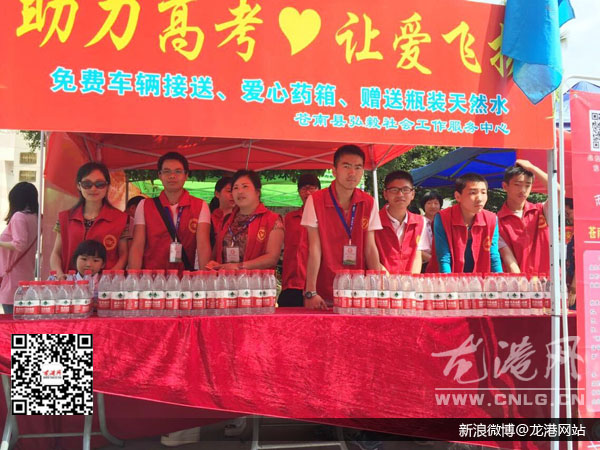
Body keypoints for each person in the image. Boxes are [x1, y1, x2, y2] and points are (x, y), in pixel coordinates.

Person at [301, 145, 382, 309]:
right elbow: (314, 249)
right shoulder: (315, 201)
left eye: (358, 167)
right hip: (323, 292)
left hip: (358, 292)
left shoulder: (369, 202)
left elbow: (370, 248)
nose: (352, 173)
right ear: (334, 171)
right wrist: (310, 291)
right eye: (346, 166)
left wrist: (379, 288)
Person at [129, 152, 211, 271]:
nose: (172, 176)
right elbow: (137, 246)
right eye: (167, 171)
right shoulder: (144, 205)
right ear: (160, 175)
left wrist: (206, 278)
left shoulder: (200, 206)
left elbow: (203, 246)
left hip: (185, 276)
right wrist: (133, 277)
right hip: (151, 276)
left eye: (178, 171)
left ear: (186, 175)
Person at [50, 162, 128, 278]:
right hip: (70, 282)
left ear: (107, 186)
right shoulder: (65, 218)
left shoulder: (121, 219)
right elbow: (56, 253)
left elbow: (124, 255)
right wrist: (59, 274)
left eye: (100, 184)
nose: (93, 189)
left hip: (106, 284)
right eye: (87, 184)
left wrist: (108, 277)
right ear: (79, 186)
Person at [428, 173, 502, 273]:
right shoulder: (443, 218)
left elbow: (493, 256)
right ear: (458, 196)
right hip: (445, 277)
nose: (480, 198)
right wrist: (449, 282)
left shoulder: (491, 219)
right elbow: (444, 258)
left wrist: (501, 279)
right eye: (473, 193)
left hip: (478, 278)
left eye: (483, 192)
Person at [212, 170, 283, 270]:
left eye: (245, 186)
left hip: (255, 279)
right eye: (235, 188)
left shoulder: (273, 220)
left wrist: (239, 266)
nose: (240, 191)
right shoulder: (226, 219)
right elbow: (216, 252)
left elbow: (272, 258)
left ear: (257, 192)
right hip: (225, 278)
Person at [497, 160, 551, 274]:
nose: (523, 190)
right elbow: (508, 259)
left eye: (528, 185)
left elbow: (559, 192)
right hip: (519, 281)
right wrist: (522, 282)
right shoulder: (497, 221)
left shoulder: (541, 210)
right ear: (505, 186)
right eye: (517, 184)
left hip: (549, 279)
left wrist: (533, 168)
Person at [375, 171, 431, 274]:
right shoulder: (374, 221)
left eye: (405, 190)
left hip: (409, 282)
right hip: (381, 280)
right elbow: (371, 255)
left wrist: (411, 280)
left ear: (412, 194)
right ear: (385, 194)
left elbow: (417, 255)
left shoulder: (420, 222)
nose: (400, 194)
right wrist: (388, 279)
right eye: (394, 190)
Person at [279, 174, 321, 307]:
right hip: (291, 283)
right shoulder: (289, 218)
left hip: (316, 284)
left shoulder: (325, 218)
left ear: (319, 190)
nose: (307, 192)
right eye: (303, 189)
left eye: (311, 188)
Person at [0, 182, 38, 314]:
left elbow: (19, 244)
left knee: (11, 322)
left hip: (12, 280)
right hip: (26, 277)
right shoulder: (37, 217)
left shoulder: (18, 217)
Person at [419, 190, 443, 265]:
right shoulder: (419, 222)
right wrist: (433, 260)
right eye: (429, 203)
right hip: (422, 262)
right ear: (423, 205)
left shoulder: (443, 222)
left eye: (436, 203)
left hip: (441, 262)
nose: (433, 206)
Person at [209, 176, 234, 247]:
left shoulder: (242, 218)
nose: (233, 195)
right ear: (217, 194)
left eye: (235, 190)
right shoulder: (209, 218)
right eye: (229, 191)